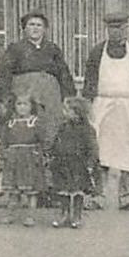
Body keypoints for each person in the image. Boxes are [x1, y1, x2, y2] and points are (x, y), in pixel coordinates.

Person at [82, 9, 129, 210]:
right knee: (99, 149)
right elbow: (90, 81)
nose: (117, 32)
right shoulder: (97, 52)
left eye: (121, 28)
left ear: (127, 29)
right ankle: (98, 195)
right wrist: (88, 105)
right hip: (103, 105)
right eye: (113, 28)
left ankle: (128, 195)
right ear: (107, 29)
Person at [0, 11, 77, 150]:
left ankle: (48, 155)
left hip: (50, 95)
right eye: (31, 24)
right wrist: (1, 97)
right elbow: (5, 72)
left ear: (44, 29)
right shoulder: (15, 49)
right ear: (25, 28)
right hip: (25, 92)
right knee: (27, 123)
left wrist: (68, 96)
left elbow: (64, 73)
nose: (35, 28)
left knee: (50, 124)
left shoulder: (52, 49)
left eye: (39, 25)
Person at [48, 96, 99, 229]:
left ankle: (77, 215)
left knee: (77, 191)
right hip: (62, 162)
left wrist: (90, 163)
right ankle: (64, 214)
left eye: (67, 110)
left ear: (77, 112)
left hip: (78, 164)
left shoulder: (87, 129)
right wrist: (52, 152)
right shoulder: (63, 127)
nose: (64, 113)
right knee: (63, 190)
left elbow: (92, 147)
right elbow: (56, 141)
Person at [0, 93, 44, 225]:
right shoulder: (10, 123)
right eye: (19, 104)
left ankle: (30, 216)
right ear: (14, 106)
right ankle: (10, 214)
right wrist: (3, 154)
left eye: (25, 104)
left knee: (31, 191)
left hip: (29, 158)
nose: (22, 107)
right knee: (13, 190)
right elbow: (4, 141)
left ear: (32, 106)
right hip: (14, 159)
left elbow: (42, 140)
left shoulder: (35, 123)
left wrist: (40, 154)